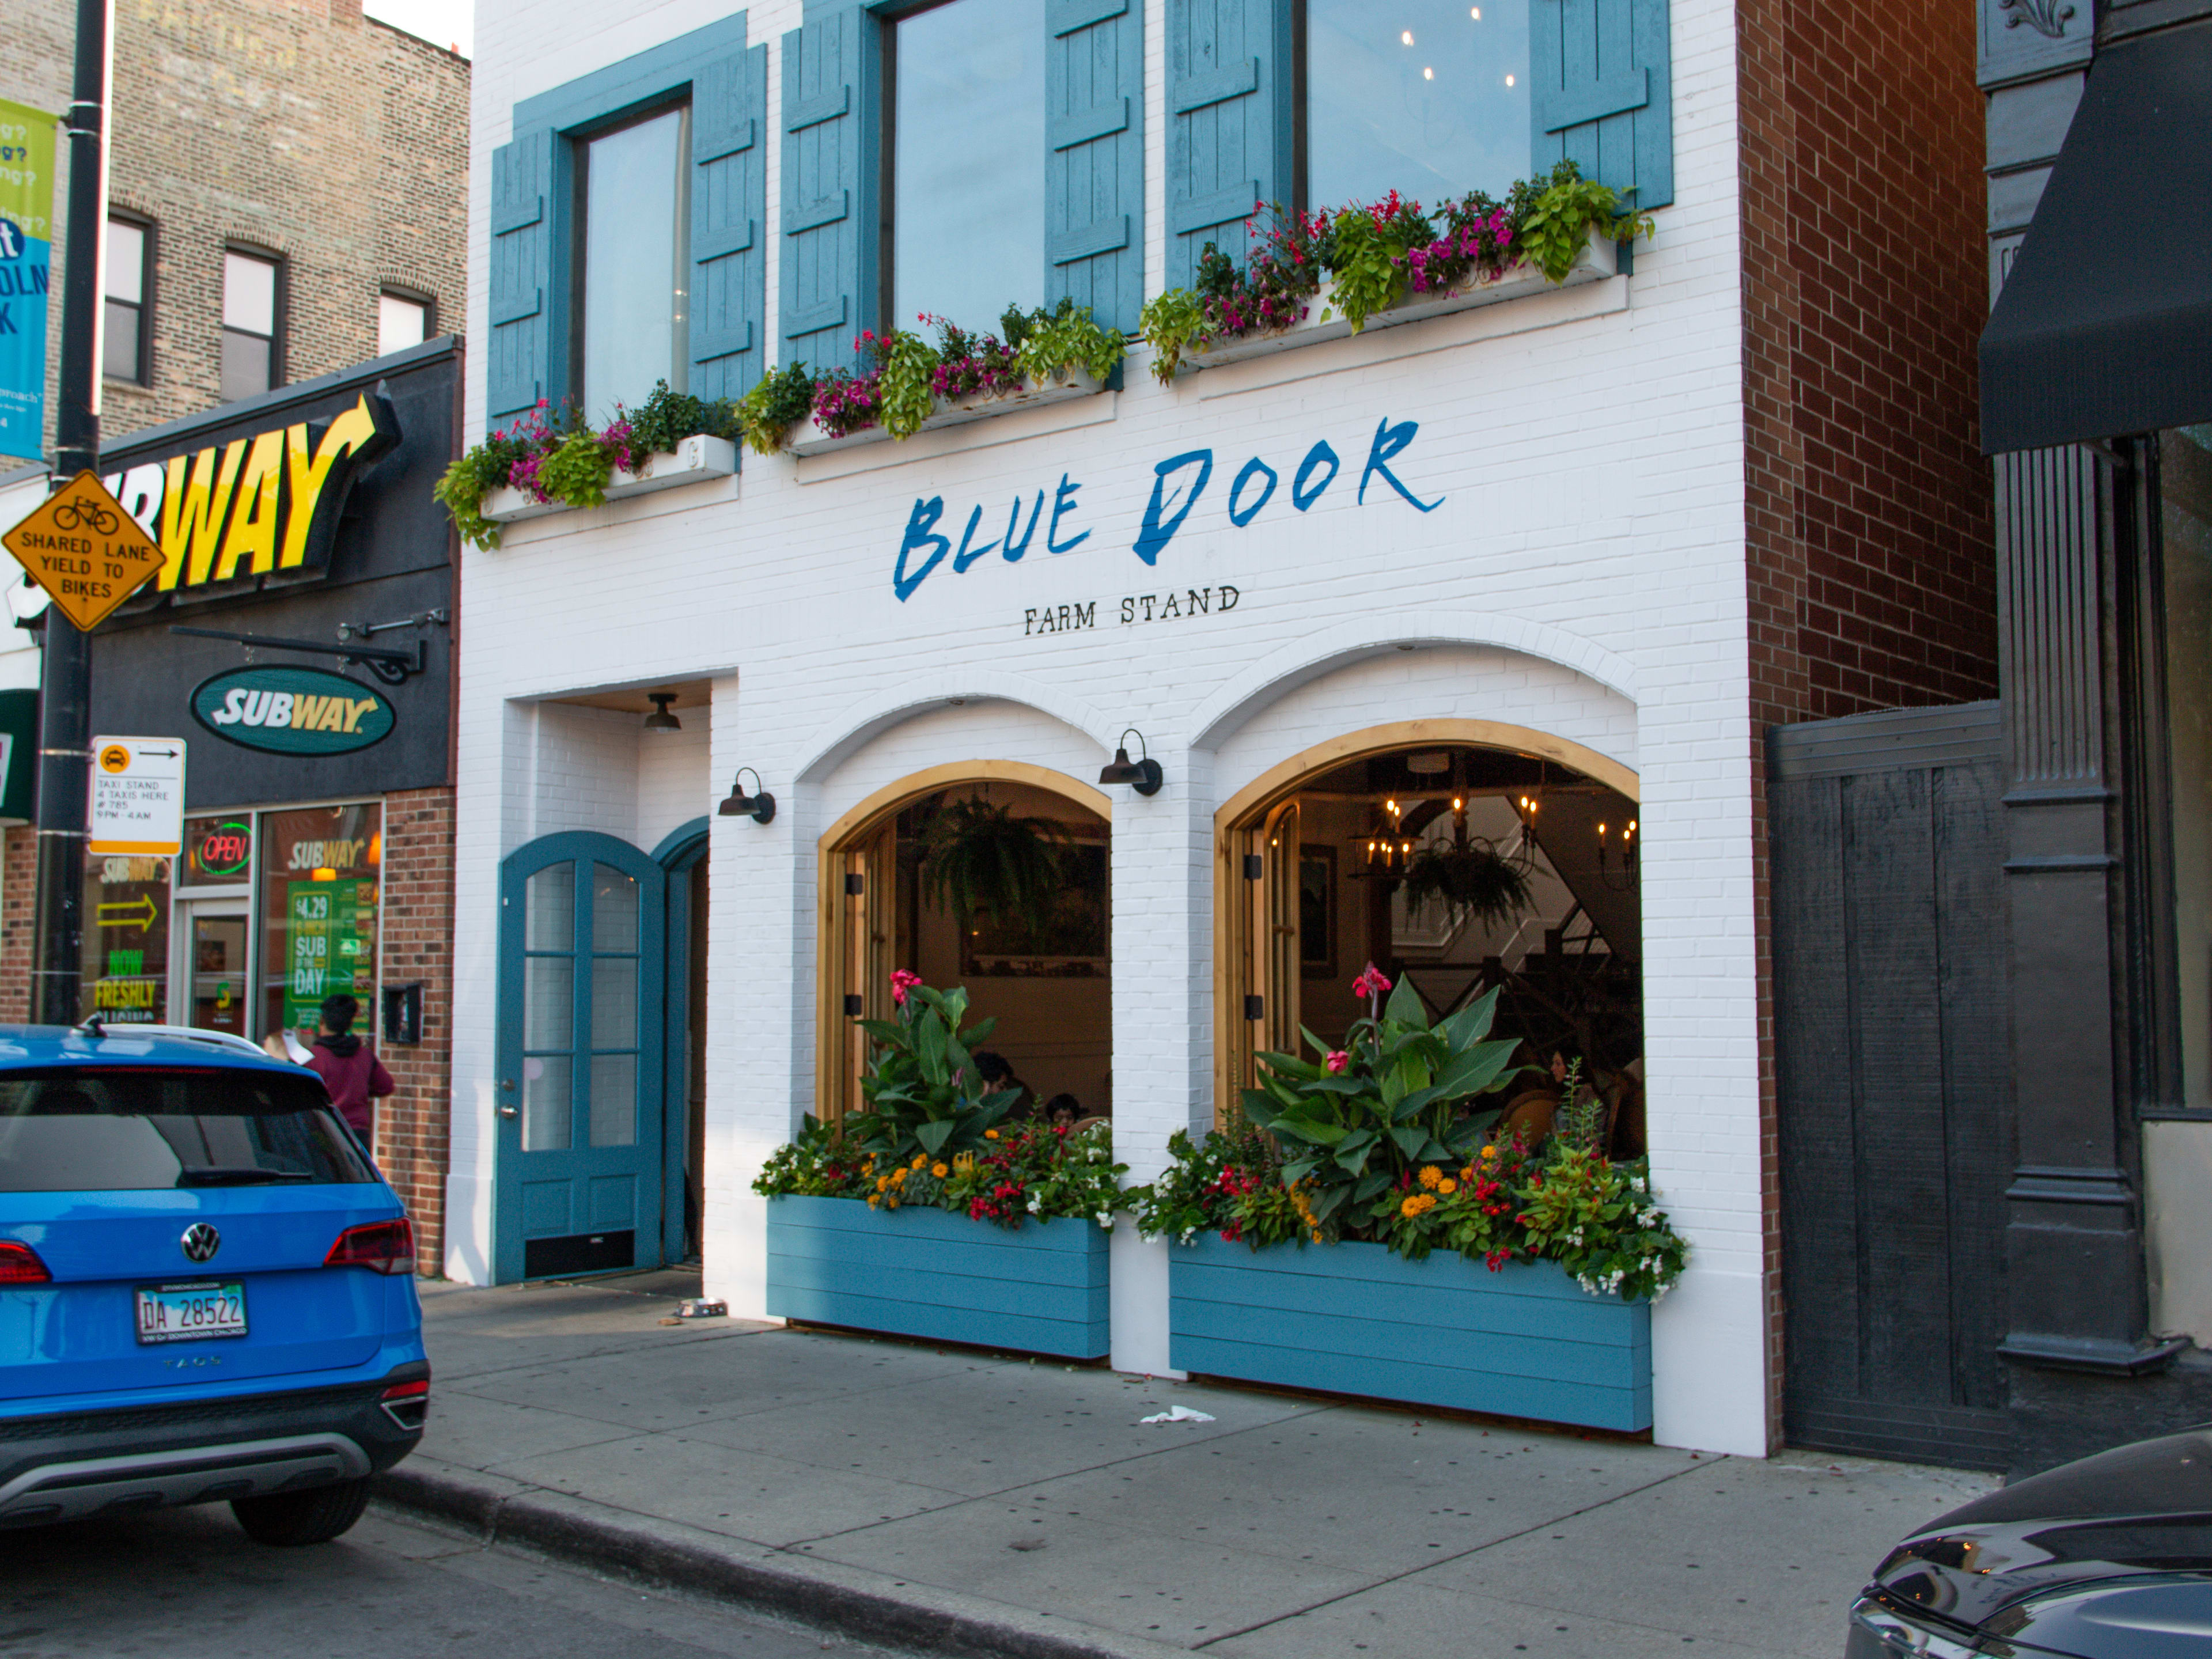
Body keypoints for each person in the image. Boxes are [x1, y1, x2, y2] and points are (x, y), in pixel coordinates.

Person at [302, 994, 394, 1146]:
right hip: (357, 1135)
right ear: (349, 1024)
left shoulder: (311, 1057)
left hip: (325, 1131)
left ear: (322, 1022)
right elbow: (386, 1086)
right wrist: (361, 1090)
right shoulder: (365, 1055)